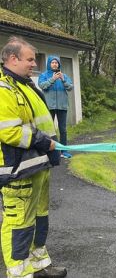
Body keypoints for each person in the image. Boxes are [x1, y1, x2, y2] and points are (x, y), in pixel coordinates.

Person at [0, 36, 66, 277]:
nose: (34, 65)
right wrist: (45, 142)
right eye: (29, 60)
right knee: (18, 223)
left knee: (39, 216)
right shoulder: (3, 89)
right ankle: (19, 272)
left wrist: (54, 147)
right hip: (18, 169)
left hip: (38, 164)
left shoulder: (26, 85)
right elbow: (9, 131)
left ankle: (39, 265)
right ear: (12, 58)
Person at [37, 56, 73, 159]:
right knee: (48, 129)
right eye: (52, 62)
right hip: (49, 106)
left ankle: (64, 151)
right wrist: (53, 79)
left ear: (59, 64)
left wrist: (62, 80)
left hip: (62, 106)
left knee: (63, 130)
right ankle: (48, 151)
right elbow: (42, 86)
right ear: (49, 64)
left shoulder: (64, 76)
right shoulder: (43, 75)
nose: (54, 64)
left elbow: (70, 87)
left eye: (56, 63)